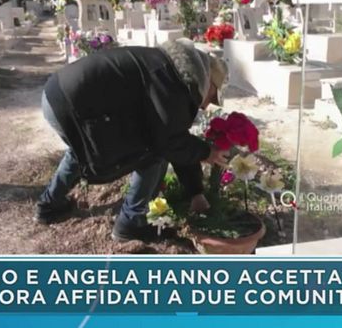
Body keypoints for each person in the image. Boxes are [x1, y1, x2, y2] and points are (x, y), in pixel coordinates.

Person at [35, 39, 230, 242]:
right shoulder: (172, 83)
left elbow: (175, 136)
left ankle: (48, 206)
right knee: (152, 153)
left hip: (56, 94)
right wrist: (207, 153)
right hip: (74, 104)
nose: (206, 106)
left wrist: (195, 191)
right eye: (212, 97)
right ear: (208, 82)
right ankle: (131, 223)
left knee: (80, 150)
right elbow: (169, 142)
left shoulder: (168, 69)